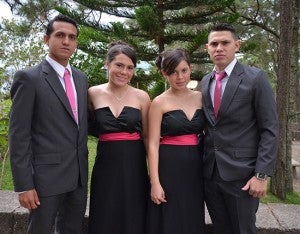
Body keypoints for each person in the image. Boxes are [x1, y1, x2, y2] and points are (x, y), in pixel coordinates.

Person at [8, 15, 89, 233]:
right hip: (46, 179)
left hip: (79, 178)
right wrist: (24, 185)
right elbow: (18, 135)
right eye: (60, 35)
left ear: (76, 44)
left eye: (72, 37)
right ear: (46, 39)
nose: (66, 41)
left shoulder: (81, 79)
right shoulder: (29, 78)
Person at [200, 23, 279, 234]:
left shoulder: (256, 78)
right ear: (207, 47)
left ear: (237, 45)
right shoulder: (205, 81)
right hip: (211, 174)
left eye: (225, 43)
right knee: (221, 229)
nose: (219, 48)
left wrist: (261, 175)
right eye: (214, 44)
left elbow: (270, 130)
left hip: (242, 176)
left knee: (243, 230)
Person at [87, 40, 150, 234]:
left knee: (134, 215)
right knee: (105, 214)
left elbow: (148, 138)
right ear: (107, 64)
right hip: (105, 165)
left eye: (130, 67)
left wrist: (155, 175)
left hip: (135, 166)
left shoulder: (142, 97)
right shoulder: (92, 93)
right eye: (119, 65)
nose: (124, 72)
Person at [146, 49, 205, 234]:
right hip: (168, 167)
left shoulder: (201, 98)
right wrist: (155, 182)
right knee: (168, 215)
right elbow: (153, 144)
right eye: (173, 72)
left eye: (184, 70)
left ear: (190, 69)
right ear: (164, 73)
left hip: (196, 167)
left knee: (191, 213)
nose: (180, 77)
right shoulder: (159, 102)